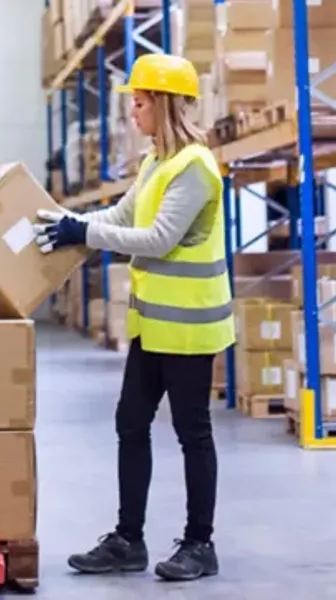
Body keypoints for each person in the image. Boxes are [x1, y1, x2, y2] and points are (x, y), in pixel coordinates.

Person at [34, 53, 233, 583]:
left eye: (140, 103)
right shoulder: (155, 163)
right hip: (154, 323)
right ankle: (129, 540)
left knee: (193, 432)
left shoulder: (194, 167)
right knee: (130, 423)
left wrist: (86, 235)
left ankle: (199, 544)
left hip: (190, 326)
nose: (133, 114)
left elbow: (158, 239)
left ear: (163, 105)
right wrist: (68, 223)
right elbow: (122, 217)